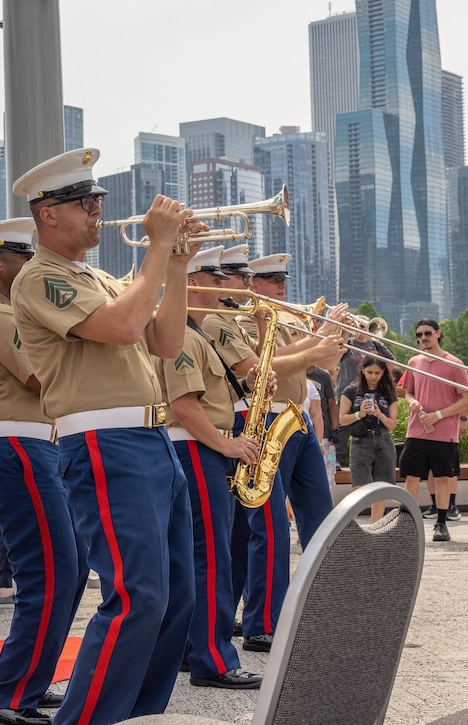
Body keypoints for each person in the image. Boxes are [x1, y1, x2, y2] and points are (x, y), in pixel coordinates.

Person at [11, 147, 206, 724]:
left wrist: (175, 265)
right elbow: (123, 328)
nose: (98, 212)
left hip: (151, 441)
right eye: (84, 203)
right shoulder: (40, 277)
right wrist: (154, 247)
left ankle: (135, 716)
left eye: (97, 202)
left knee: (175, 600)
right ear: (47, 214)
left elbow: (166, 345)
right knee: (137, 597)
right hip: (103, 444)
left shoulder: (96, 275)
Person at [0, 218, 88, 725]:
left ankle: (29, 682)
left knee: (72, 569)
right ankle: (4, 694)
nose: (32, 266)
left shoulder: (10, 310)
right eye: (24, 258)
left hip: (33, 446)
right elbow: (45, 379)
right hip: (18, 445)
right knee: (49, 574)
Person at [206, 252, 345, 652]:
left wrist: (333, 336)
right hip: (262, 420)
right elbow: (264, 369)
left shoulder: (276, 320)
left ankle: (319, 607)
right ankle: (262, 623)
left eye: (276, 277)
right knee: (267, 529)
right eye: (261, 277)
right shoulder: (222, 322)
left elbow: (319, 365)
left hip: (295, 421)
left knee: (320, 521)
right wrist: (315, 344)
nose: (276, 284)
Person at [157, 246, 266, 691]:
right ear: (196, 282)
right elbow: (184, 405)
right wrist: (226, 443)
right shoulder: (182, 334)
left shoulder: (196, 334)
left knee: (197, 556)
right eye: (218, 279)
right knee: (210, 557)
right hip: (195, 449)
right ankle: (213, 659)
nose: (226, 287)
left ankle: (193, 650)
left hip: (200, 449)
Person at [397, 319, 468, 542]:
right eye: (418, 335)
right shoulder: (414, 360)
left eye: (427, 333)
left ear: (438, 333)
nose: (422, 338)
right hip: (416, 430)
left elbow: (467, 398)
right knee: (410, 476)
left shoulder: (454, 363)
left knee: (441, 477)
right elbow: (407, 391)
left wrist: (439, 415)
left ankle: (441, 523)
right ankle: (408, 523)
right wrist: (411, 401)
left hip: (444, 432)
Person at [338, 357, 399, 522]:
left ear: (383, 373)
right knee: (358, 487)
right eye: (370, 372)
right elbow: (342, 419)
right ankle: (350, 526)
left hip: (383, 439)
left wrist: (380, 415)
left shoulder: (388, 392)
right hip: (361, 440)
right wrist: (360, 414)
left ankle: (375, 526)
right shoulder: (351, 391)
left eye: (378, 373)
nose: (373, 376)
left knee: (381, 488)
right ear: (362, 370)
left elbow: (393, 424)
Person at [335, 326, 394, 464]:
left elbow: (391, 361)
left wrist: (378, 375)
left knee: (368, 423)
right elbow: (337, 353)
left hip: (369, 390)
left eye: (364, 326)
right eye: (358, 326)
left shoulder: (374, 344)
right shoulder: (348, 343)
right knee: (341, 427)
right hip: (347, 390)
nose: (361, 329)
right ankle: (336, 459)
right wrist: (345, 330)